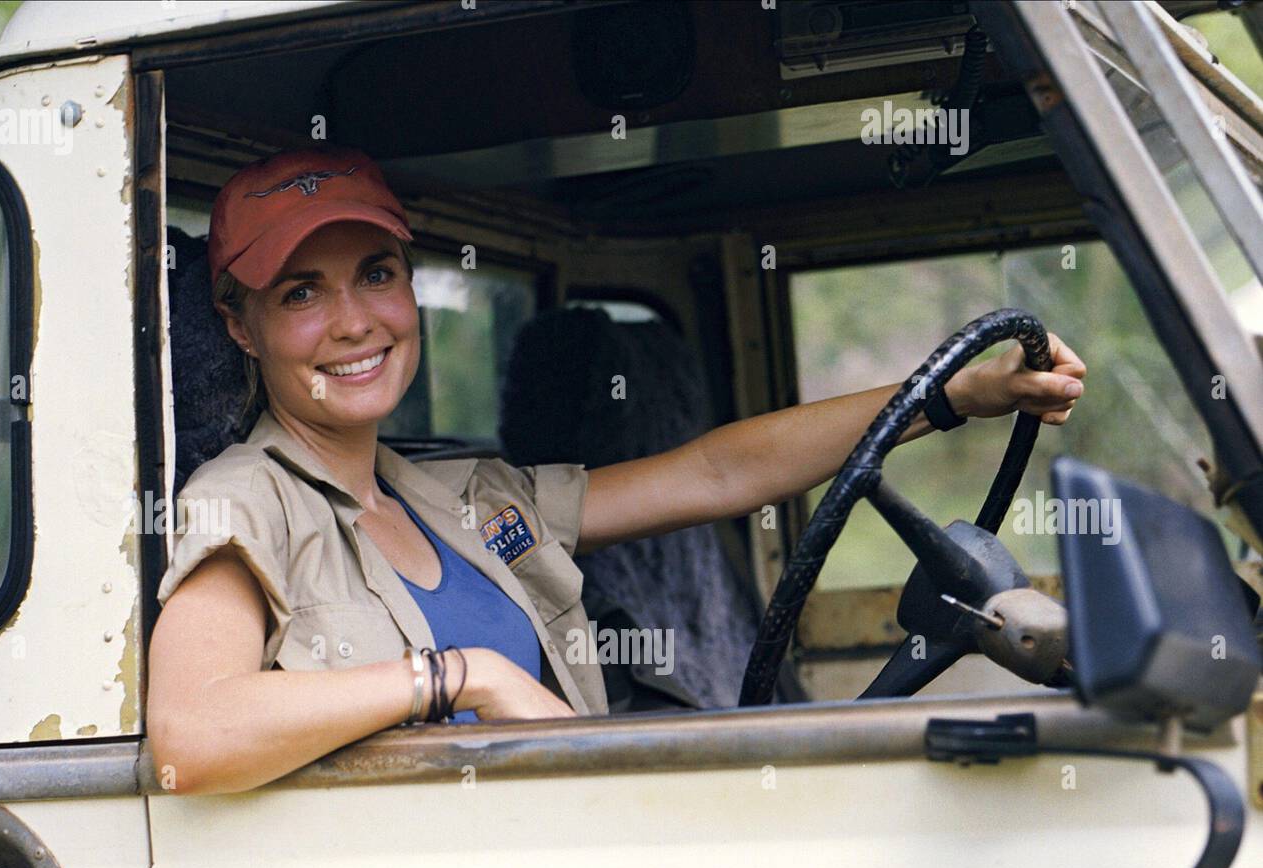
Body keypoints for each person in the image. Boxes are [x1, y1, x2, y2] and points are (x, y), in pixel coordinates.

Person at [147, 146, 1086, 795]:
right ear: (241, 324)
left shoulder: (465, 496)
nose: (355, 322)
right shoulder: (244, 502)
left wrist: (955, 397)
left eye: (378, 274)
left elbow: (717, 473)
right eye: (301, 293)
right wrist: (460, 676)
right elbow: (190, 740)